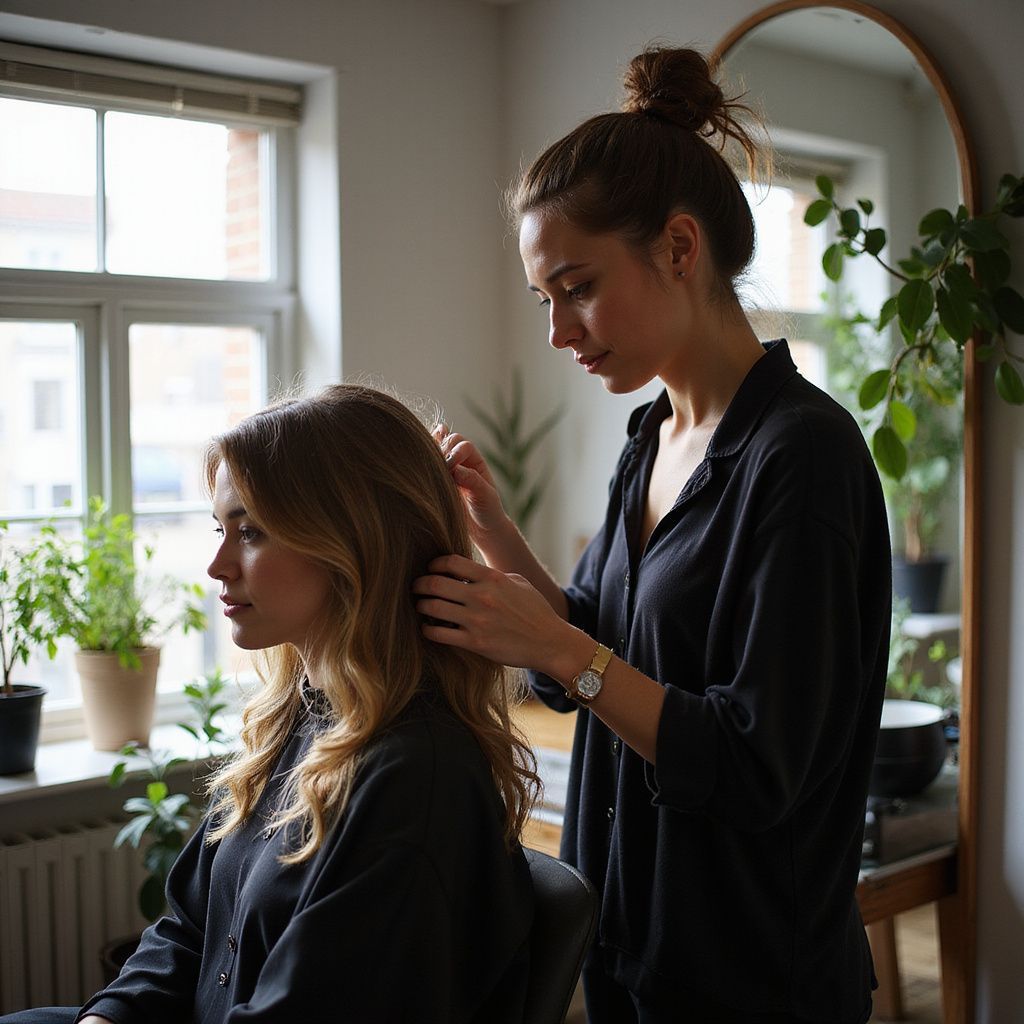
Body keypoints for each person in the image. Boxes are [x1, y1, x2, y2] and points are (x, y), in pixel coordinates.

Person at [412, 46, 891, 1024]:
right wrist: (494, 531)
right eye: (544, 299)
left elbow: (755, 765)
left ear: (679, 248)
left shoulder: (801, 458)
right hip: (627, 949)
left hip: (750, 977)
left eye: (576, 286)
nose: (558, 332)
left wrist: (560, 645)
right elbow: (586, 661)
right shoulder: (650, 438)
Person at [4, 385, 538, 1024]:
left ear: (353, 544)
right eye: (220, 528)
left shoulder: (413, 779)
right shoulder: (299, 718)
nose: (216, 565)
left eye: (251, 532)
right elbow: (187, 931)